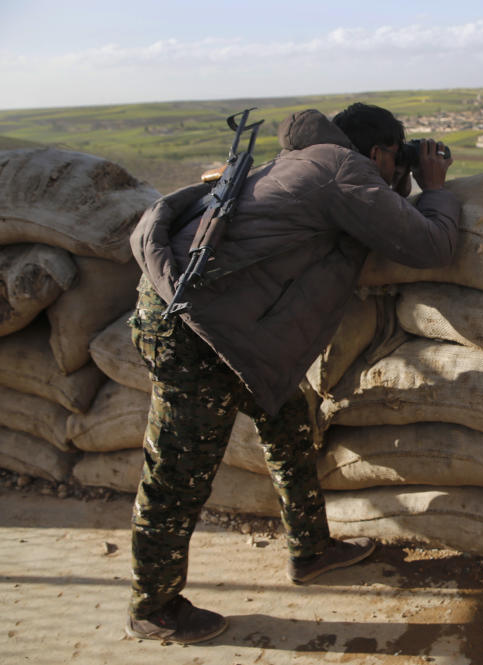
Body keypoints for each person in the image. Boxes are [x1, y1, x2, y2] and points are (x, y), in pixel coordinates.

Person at [125, 103, 459, 644]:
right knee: (179, 471)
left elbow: (365, 218)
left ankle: (311, 550)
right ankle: (153, 605)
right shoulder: (340, 169)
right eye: (395, 160)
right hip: (197, 332)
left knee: (290, 422)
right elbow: (432, 245)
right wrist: (434, 186)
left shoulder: (310, 160)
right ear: (377, 153)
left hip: (235, 329)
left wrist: (399, 180)